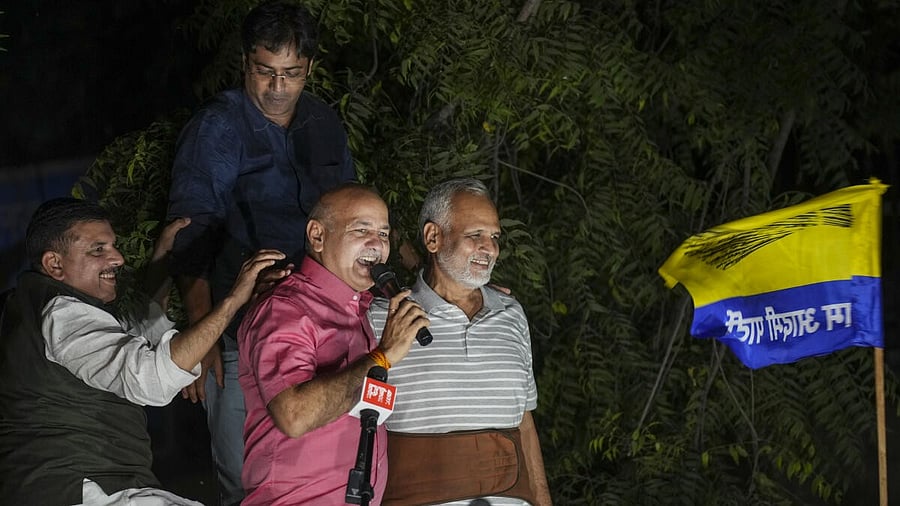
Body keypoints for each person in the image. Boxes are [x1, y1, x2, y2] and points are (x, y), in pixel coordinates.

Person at [166, 2, 355, 503]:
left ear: (309, 69)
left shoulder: (324, 123)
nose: (277, 87)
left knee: (330, 468)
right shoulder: (218, 127)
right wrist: (201, 330)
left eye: (291, 74)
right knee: (245, 477)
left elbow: (352, 216)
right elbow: (190, 229)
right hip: (240, 333)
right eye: (264, 72)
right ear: (245, 63)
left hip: (324, 326)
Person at [0, 198, 284, 505]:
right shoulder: (61, 314)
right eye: (98, 249)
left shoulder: (37, 307)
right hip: (83, 490)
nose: (118, 258)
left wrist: (162, 257)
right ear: (54, 264)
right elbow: (151, 379)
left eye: (114, 246)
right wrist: (234, 300)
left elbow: (137, 331)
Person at [238, 183, 429, 505]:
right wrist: (382, 356)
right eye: (361, 229)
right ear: (317, 236)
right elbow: (294, 415)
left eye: (383, 234)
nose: (376, 244)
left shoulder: (360, 310)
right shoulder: (285, 309)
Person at [369, 178, 553, 505]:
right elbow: (355, 428)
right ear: (433, 237)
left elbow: (524, 422)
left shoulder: (511, 313)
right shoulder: (383, 317)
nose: (491, 248)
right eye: (475, 236)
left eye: (494, 237)